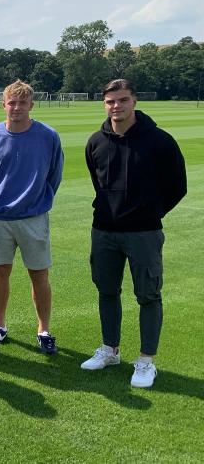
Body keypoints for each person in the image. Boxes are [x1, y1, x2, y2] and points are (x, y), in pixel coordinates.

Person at [81, 79, 186, 388]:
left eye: (123, 100)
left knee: (148, 296)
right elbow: (98, 182)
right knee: (107, 291)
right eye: (111, 101)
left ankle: (145, 361)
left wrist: (152, 212)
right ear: (105, 104)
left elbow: (177, 187)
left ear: (134, 101)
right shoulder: (95, 142)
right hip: (104, 232)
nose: (117, 106)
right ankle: (110, 350)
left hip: (144, 233)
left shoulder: (160, 141)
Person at [0, 80, 63, 354]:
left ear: (31, 105)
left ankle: (44, 330)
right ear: (3, 104)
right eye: (11, 103)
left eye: (22, 103)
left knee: (39, 275)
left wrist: (36, 200)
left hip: (33, 216)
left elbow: (54, 174)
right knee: (0, 273)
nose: (16, 108)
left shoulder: (48, 136)